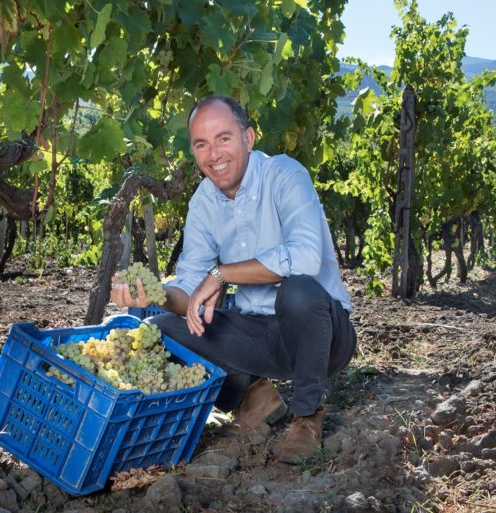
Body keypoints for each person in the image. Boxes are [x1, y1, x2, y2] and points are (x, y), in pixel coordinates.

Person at [111, 95, 357, 463]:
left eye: (223, 138)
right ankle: (253, 396)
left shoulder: (285, 175)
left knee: (299, 291)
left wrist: (223, 273)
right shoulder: (203, 203)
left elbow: (304, 257)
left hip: (322, 336)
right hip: (256, 336)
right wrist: (156, 294)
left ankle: (307, 415)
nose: (214, 154)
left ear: (249, 138)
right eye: (201, 144)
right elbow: (192, 290)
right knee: (164, 327)